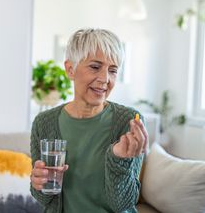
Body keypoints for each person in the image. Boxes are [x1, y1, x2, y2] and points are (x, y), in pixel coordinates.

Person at [30, 28, 148, 213]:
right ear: (70, 69)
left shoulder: (128, 121)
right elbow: (44, 197)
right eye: (95, 67)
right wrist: (38, 182)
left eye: (113, 70)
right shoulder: (44, 123)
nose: (105, 79)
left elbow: (124, 204)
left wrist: (119, 160)